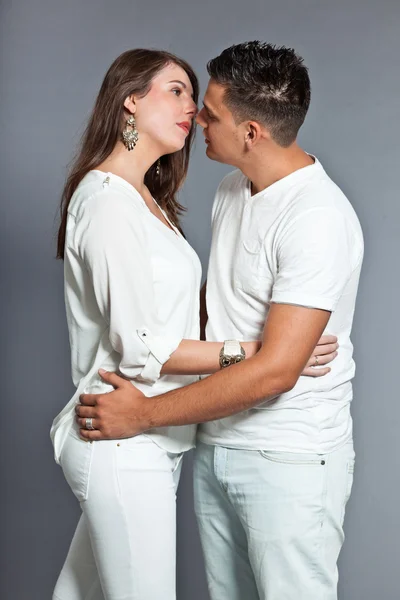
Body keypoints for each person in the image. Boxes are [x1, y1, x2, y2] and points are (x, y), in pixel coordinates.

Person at [78, 42, 364, 600]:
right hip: (215, 444)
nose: (198, 120)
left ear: (251, 132)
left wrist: (142, 416)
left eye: (211, 112)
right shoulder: (233, 189)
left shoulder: (317, 218)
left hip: (288, 457)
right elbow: (214, 309)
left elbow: (276, 374)